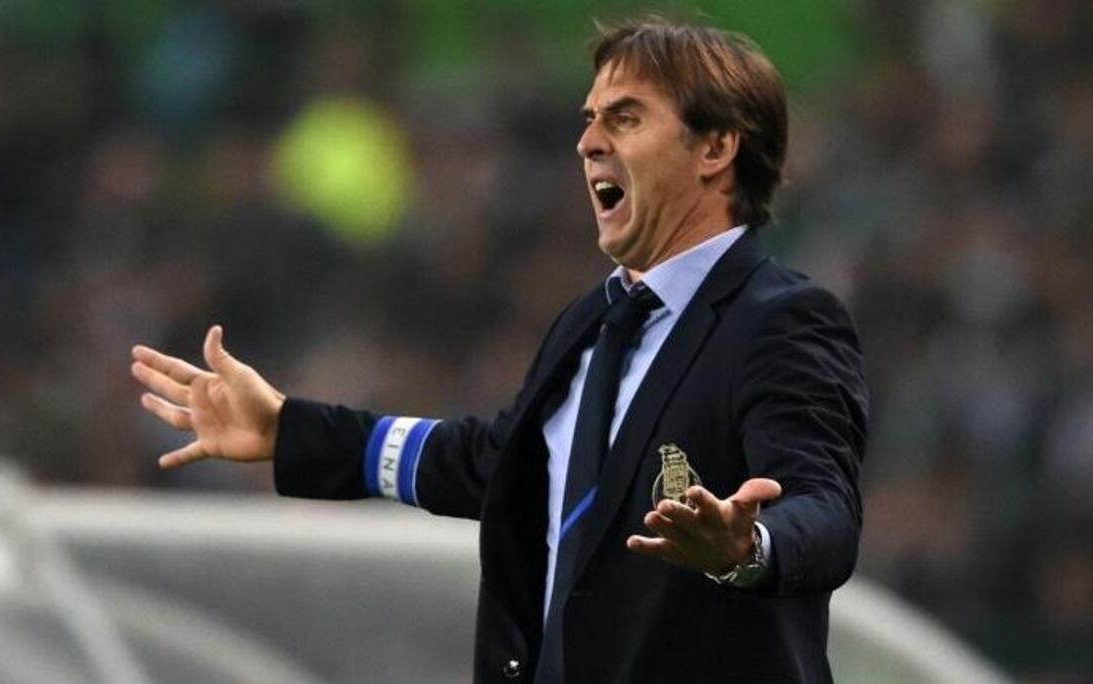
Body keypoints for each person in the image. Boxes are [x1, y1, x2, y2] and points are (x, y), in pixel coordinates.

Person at [131, 17, 867, 684]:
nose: (588, 142)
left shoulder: (781, 319)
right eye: (589, 120)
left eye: (625, 117)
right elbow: (500, 464)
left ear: (715, 147)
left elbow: (825, 507)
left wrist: (750, 548)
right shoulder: (592, 323)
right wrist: (289, 430)